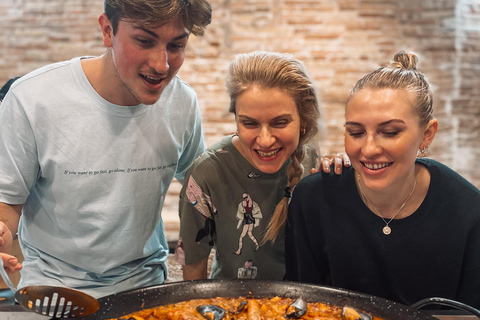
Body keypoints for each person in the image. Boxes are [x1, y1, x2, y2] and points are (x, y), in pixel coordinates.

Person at [0, 0, 212, 297]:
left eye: (176, 46)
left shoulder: (182, 102)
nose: (161, 64)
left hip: (145, 287)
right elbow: (7, 201)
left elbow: (200, 186)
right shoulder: (32, 100)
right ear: (107, 30)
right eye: (144, 41)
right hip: (53, 292)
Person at [285, 51, 480, 309]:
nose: (369, 149)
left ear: (427, 135)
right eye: (356, 132)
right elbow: (301, 306)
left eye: (389, 133)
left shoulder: (468, 212)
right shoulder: (313, 199)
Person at [176, 51, 325, 280]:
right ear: (236, 119)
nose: (265, 140)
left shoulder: (310, 157)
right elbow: (193, 266)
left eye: (280, 122)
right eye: (249, 123)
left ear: (303, 120)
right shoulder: (206, 173)